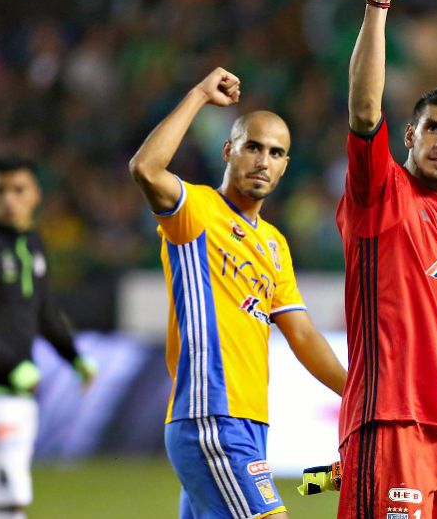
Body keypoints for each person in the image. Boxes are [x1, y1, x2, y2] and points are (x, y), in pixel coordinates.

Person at [128, 67, 347, 519]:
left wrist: (359, 394)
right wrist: (198, 95)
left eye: (276, 153)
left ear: (286, 165)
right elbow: (145, 169)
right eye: (252, 147)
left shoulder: (273, 243)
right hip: (211, 414)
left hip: (251, 421)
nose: (262, 161)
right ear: (229, 150)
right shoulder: (197, 211)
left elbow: (302, 335)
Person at [335, 0, 437, 518]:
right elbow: (363, 108)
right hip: (389, 422)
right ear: (409, 137)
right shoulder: (382, 194)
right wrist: (378, 6)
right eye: (434, 129)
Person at [0, 157, 95, 519]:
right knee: (9, 501)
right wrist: (12, 366)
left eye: (18, 190)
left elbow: (44, 311)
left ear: (36, 195)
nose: (8, 199)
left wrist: (74, 358)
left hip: (15, 390)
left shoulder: (32, 243)